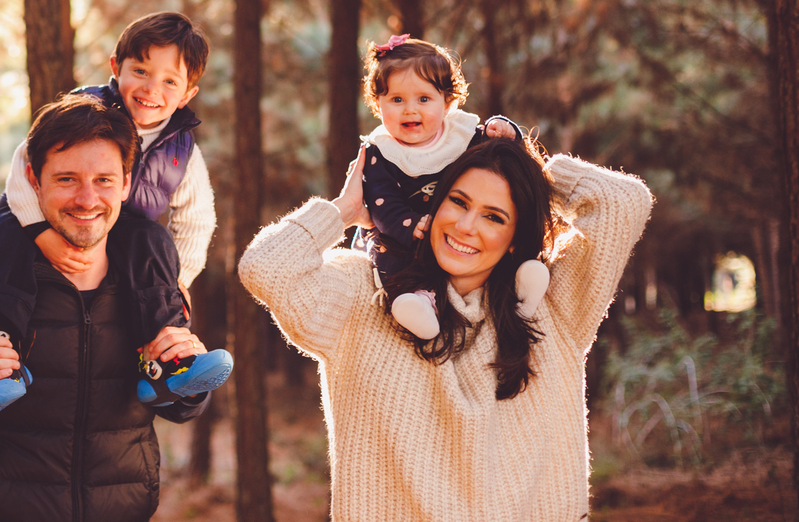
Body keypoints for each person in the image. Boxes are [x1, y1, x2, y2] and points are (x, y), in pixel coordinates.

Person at [239, 137, 652, 522]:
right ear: (434, 203)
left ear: (514, 238)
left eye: (494, 216)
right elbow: (266, 268)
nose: (466, 226)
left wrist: (527, 161)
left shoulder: (550, 304)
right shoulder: (362, 293)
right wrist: (345, 210)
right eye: (458, 201)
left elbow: (623, 202)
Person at [0, 94, 215, 522]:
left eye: (104, 180)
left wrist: (188, 386)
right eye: (67, 179)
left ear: (127, 183)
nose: (87, 200)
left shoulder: (152, 287)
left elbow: (176, 407)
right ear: (34, 179)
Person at [0, 11, 230, 410]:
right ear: (116, 68)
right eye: (141, 71)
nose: (152, 89)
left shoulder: (181, 150)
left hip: (117, 240)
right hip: (39, 220)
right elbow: (21, 170)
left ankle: (168, 363)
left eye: (170, 81)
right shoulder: (83, 110)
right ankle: (1, 366)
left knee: (153, 241)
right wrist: (40, 234)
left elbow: (197, 220)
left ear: (187, 94)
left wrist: (180, 279)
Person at [357, 33, 549, 340]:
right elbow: (382, 202)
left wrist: (506, 129)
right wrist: (410, 226)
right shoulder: (380, 152)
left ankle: (522, 276)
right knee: (389, 256)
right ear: (377, 105)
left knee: (498, 230)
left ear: (448, 102)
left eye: (423, 99)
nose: (410, 109)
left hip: (451, 230)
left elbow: (502, 157)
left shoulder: (459, 134)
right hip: (407, 234)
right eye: (396, 100)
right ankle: (418, 302)